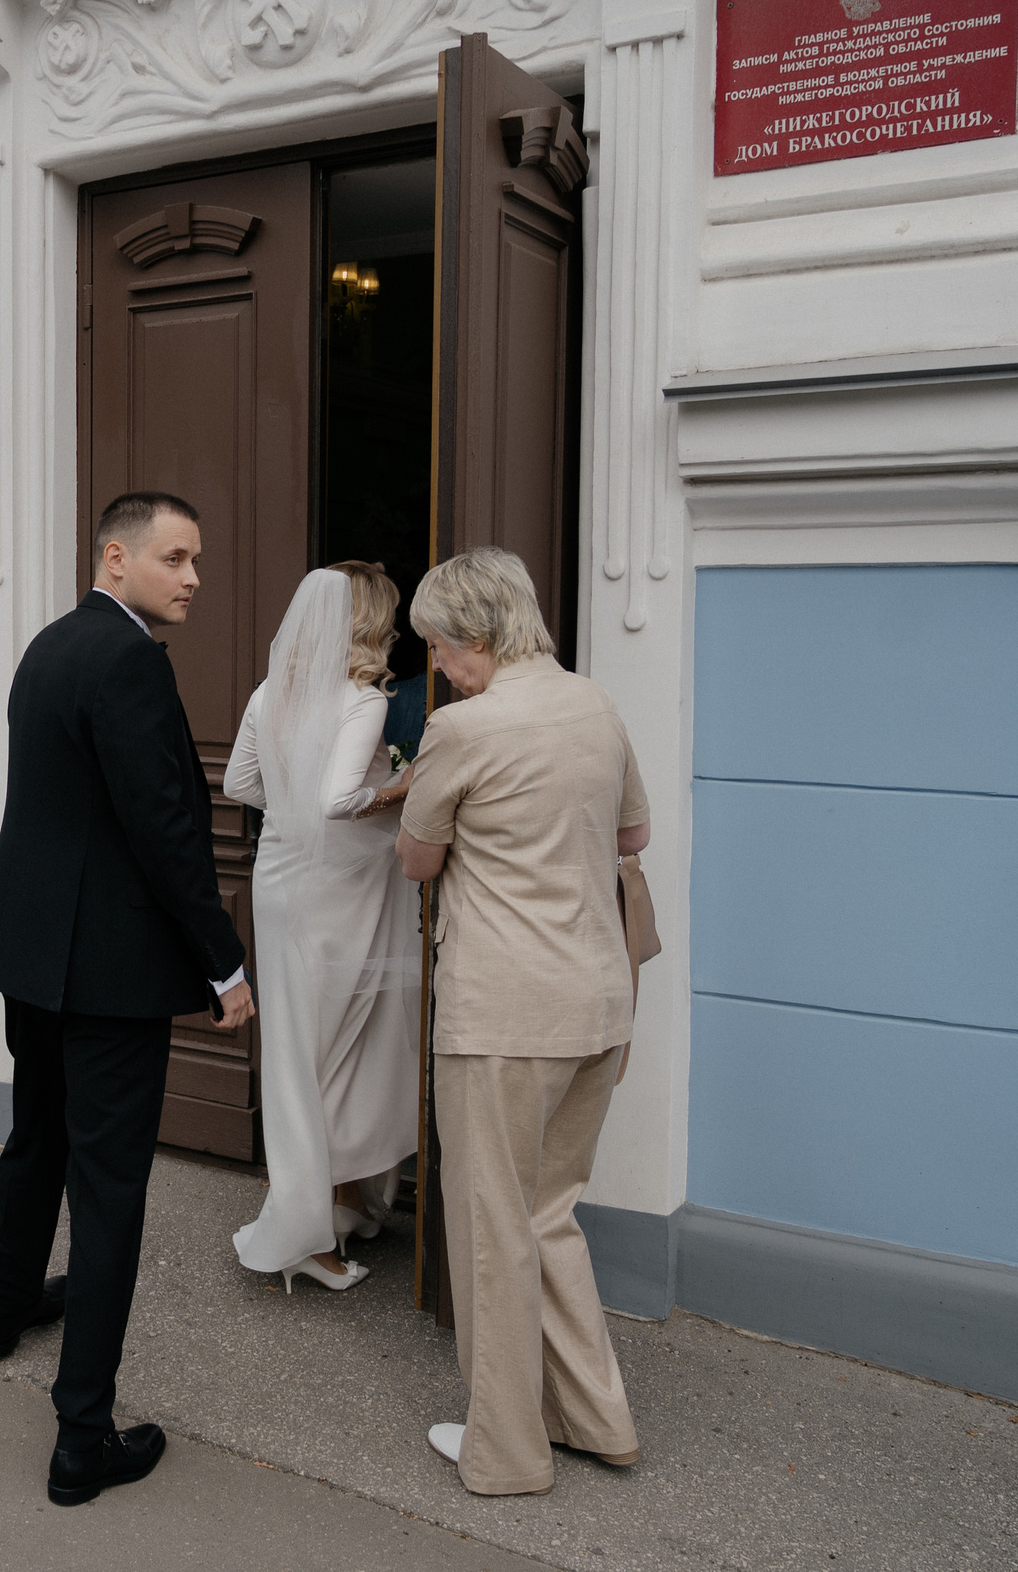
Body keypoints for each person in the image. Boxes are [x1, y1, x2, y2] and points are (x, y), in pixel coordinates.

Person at [0, 489, 255, 1507]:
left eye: (197, 559)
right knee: (108, 1193)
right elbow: (164, 827)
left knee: (35, 1137)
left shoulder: (48, 644)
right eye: (176, 557)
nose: (193, 577)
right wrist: (224, 962)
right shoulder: (128, 659)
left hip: (34, 952)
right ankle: (81, 1438)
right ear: (116, 557)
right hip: (106, 972)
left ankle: (6, 1311)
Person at [395, 546, 651, 1495]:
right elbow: (632, 836)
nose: (438, 667)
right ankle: (596, 1418)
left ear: (477, 634)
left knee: (493, 1229)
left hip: (502, 1009)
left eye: (439, 647)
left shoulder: (463, 728)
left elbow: (417, 861)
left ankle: (505, 1451)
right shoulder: (596, 703)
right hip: (598, 1000)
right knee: (550, 1217)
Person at [223, 563, 421, 1294]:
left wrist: (291, 802)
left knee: (300, 1053)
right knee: (338, 1048)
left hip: (279, 884)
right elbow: (340, 800)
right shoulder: (361, 699)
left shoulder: (269, 692)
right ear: (369, 621)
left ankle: (333, 1203)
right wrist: (399, 787)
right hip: (339, 891)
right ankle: (306, 1232)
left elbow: (239, 785)